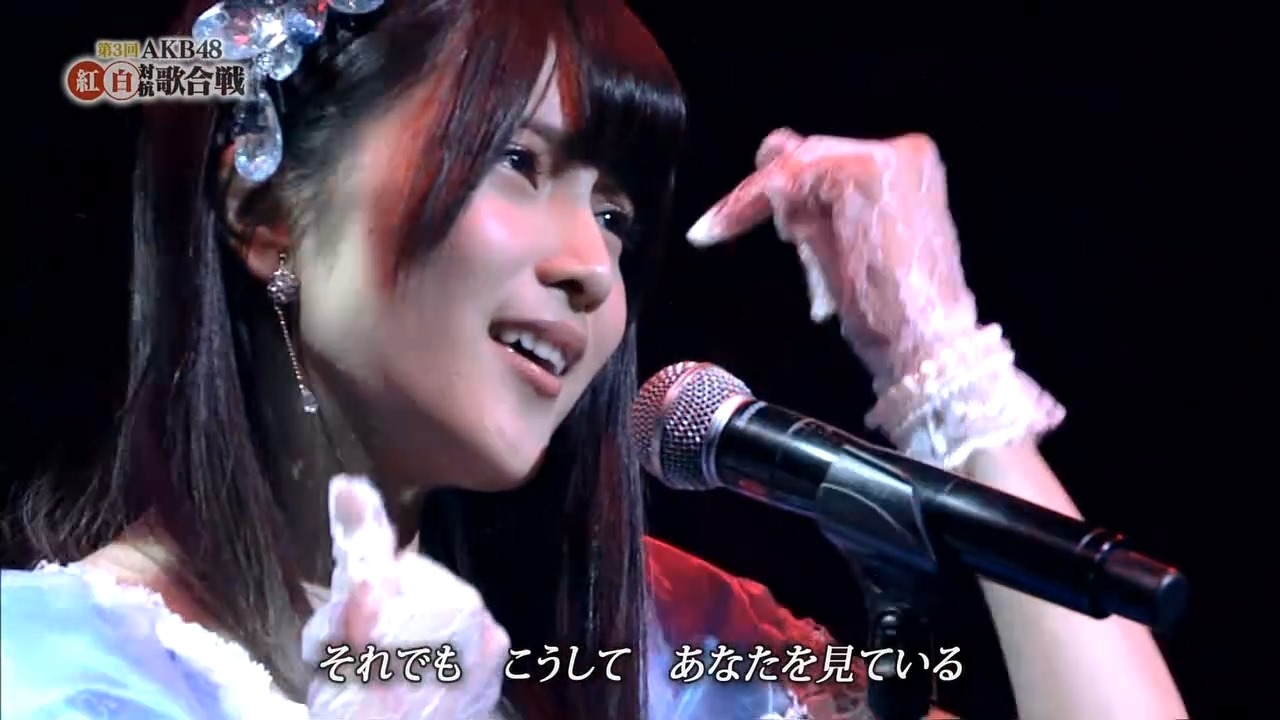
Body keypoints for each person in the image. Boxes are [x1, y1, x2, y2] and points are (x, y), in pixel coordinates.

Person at [0, 0, 1187, 718]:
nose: (590, 268)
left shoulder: (651, 644)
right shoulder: (51, 673)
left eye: (615, 215)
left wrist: (941, 368)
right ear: (267, 213)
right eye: (516, 162)